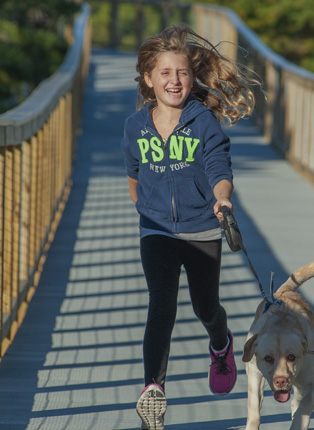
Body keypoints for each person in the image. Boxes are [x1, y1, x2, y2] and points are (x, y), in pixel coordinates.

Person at [121, 24, 259, 430]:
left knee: (206, 307)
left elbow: (219, 166)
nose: (174, 81)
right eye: (165, 73)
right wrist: (149, 212)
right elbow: (133, 176)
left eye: (181, 73)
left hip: (202, 227)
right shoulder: (135, 126)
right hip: (157, 231)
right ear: (148, 79)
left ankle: (221, 342)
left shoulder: (203, 122)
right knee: (161, 305)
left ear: (192, 76)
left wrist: (222, 197)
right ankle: (153, 391)